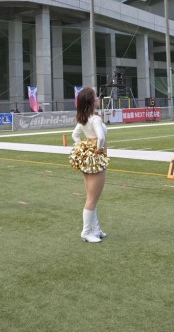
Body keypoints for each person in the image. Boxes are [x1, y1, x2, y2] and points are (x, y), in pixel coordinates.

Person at [72, 87, 108, 243]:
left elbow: (75, 135)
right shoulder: (95, 119)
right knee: (92, 199)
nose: (98, 98)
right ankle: (86, 232)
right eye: (96, 96)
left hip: (88, 160)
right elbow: (101, 137)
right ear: (91, 101)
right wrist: (97, 151)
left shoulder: (84, 118)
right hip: (96, 161)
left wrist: (83, 148)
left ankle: (96, 229)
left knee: (92, 197)